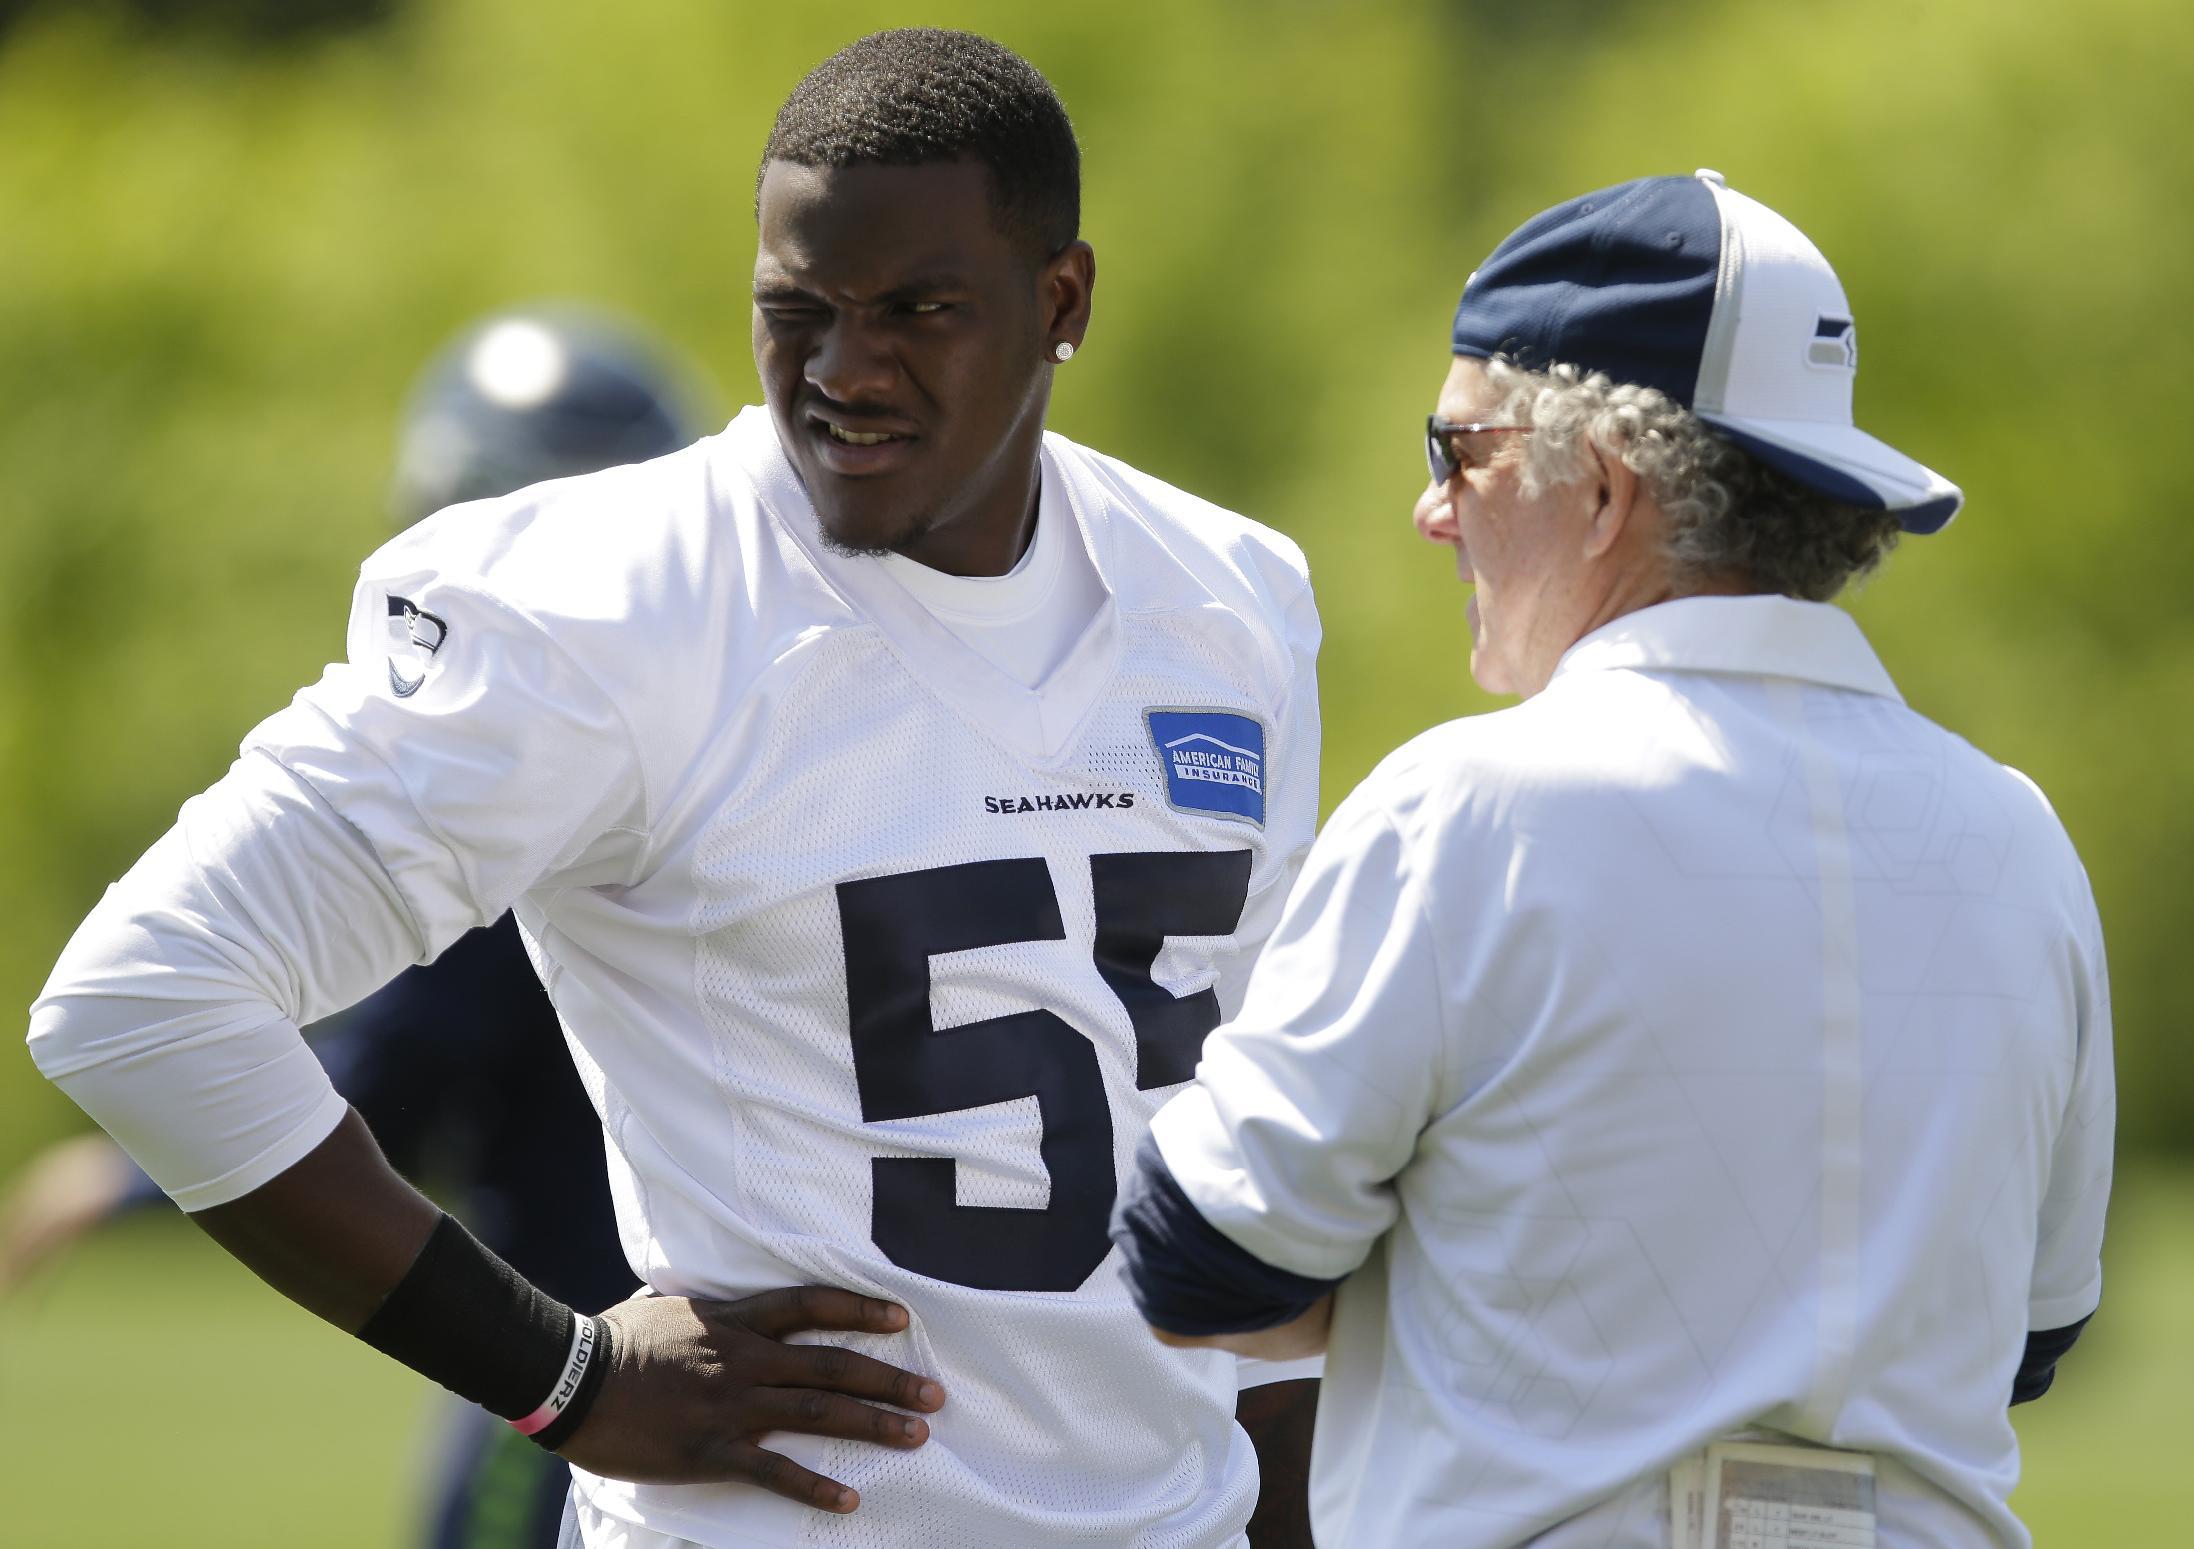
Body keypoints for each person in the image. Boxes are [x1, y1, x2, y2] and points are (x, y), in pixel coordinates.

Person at [28, 28, 1323, 1549]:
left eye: (918, 309)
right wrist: (559, 1374)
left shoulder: (1228, 599)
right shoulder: (617, 605)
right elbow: (144, 999)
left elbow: (1247, 1153)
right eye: (797, 310)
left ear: (1061, 303)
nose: (843, 370)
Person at [1111, 170, 2112, 1548]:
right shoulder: (2020, 837)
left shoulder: (1469, 808)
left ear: (1592, 486)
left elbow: (1197, 1259)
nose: (1430, 508)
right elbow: (2027, 1335)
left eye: (1455, 448)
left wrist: (1444, 1262)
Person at [1, 305, 704, 1548]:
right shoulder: (756, 762)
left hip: (603, 1362)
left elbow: (382, 1079)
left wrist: (117, 1178)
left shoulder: (532, 803)